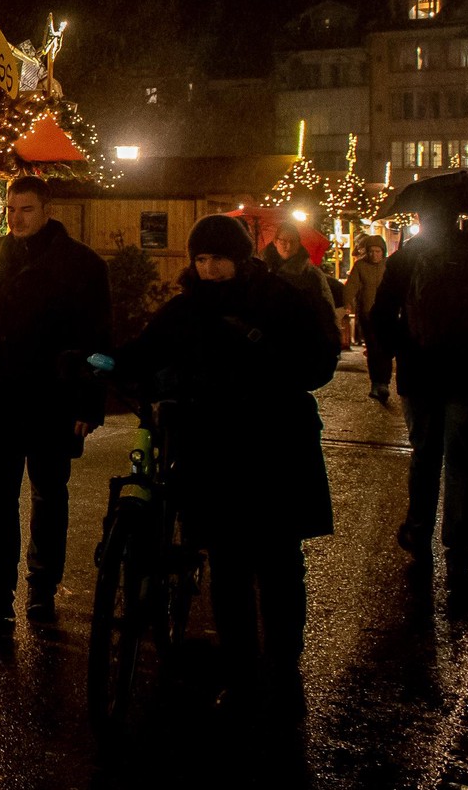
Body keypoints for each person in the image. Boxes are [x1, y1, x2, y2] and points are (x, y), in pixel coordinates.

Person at [111, 215, 338, 710]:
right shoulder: (186, 309)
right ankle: (241, 673)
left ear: (241, 258)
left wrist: (262, 350)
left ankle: (283, 666)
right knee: (230, 565)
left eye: (219, 258)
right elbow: (145, 351)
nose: (210, 268)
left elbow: (319, 362)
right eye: (202, 259)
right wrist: (102, 362)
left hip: (275, 447)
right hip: (213, 451)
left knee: (278, 563)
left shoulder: (279, 299)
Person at [0, 176, 110, 625]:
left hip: (52, 396)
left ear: (47, 208)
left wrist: (87, 403)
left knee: (47, 494)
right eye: (10, 209)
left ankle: (41, 590)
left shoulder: (82, 264)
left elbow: (98, 337)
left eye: (25, 209)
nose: (16, 218)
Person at [369, 207, 468, 569]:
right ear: (456, 218)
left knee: (424, 454)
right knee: (461, 457)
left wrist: (404, 348)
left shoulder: (405, 259)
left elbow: (380, 316)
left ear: (424, 219)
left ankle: (418, 528)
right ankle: (458, 539)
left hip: (420, 372)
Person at [345, 235, 391, 401]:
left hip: (387, 315)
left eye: (377, 251)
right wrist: (346, 303)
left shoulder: (389, 266)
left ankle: (384, 382)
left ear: (382, 251)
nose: (374, 255)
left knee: (385, 349)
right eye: (371, 251)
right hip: (368, 315)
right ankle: (376, 383)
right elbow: (352, 286)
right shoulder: (360, 266)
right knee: (373, 349)